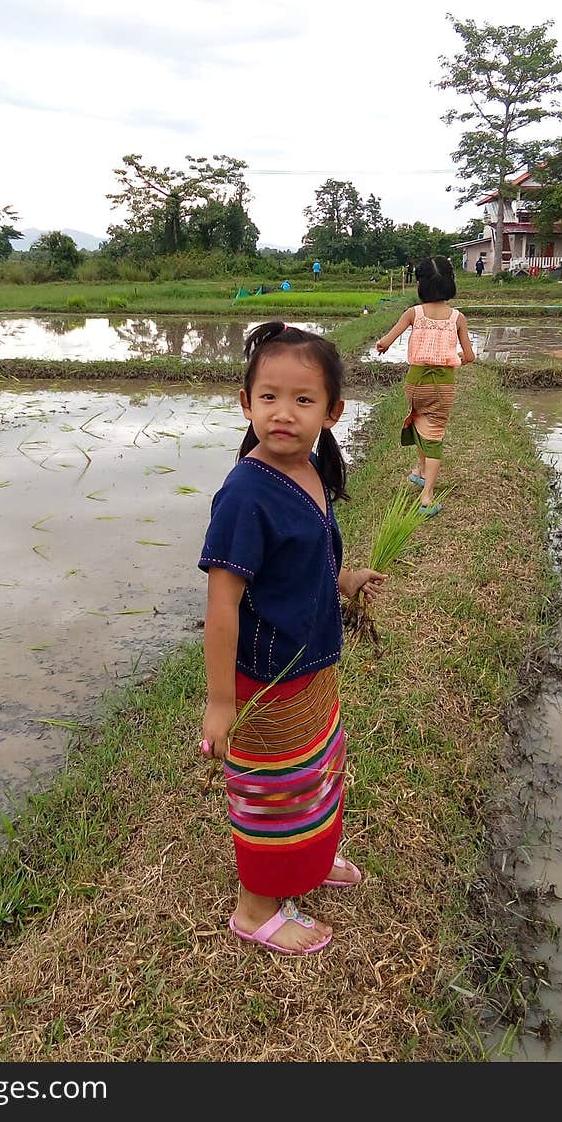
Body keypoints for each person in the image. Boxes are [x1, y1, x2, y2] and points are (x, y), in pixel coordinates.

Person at [198, 322, 385, 955]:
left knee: (317, 774)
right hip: (266, 678)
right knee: (274, 794)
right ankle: (256, 908)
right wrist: (221, 702)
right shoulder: (245, 495)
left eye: (303, 400)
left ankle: (307, 865)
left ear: (333, 412)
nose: (283, 413)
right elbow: (223, 604)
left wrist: (346, 581)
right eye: (269, 397)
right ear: (244, 403)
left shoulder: (309, 471)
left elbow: (303, 569)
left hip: (310, 667)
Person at [374, 256, 475, 517]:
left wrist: (381, 346)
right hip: (442, 384)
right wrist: (454, 363)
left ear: (421, 285)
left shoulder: (413, 313)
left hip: (415, 382)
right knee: (435, 434)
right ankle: (427, 497)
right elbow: (469, 356)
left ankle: (419, 471)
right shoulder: (457, 318)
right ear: (451, 283)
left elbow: (386, 340)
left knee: (419, 421)